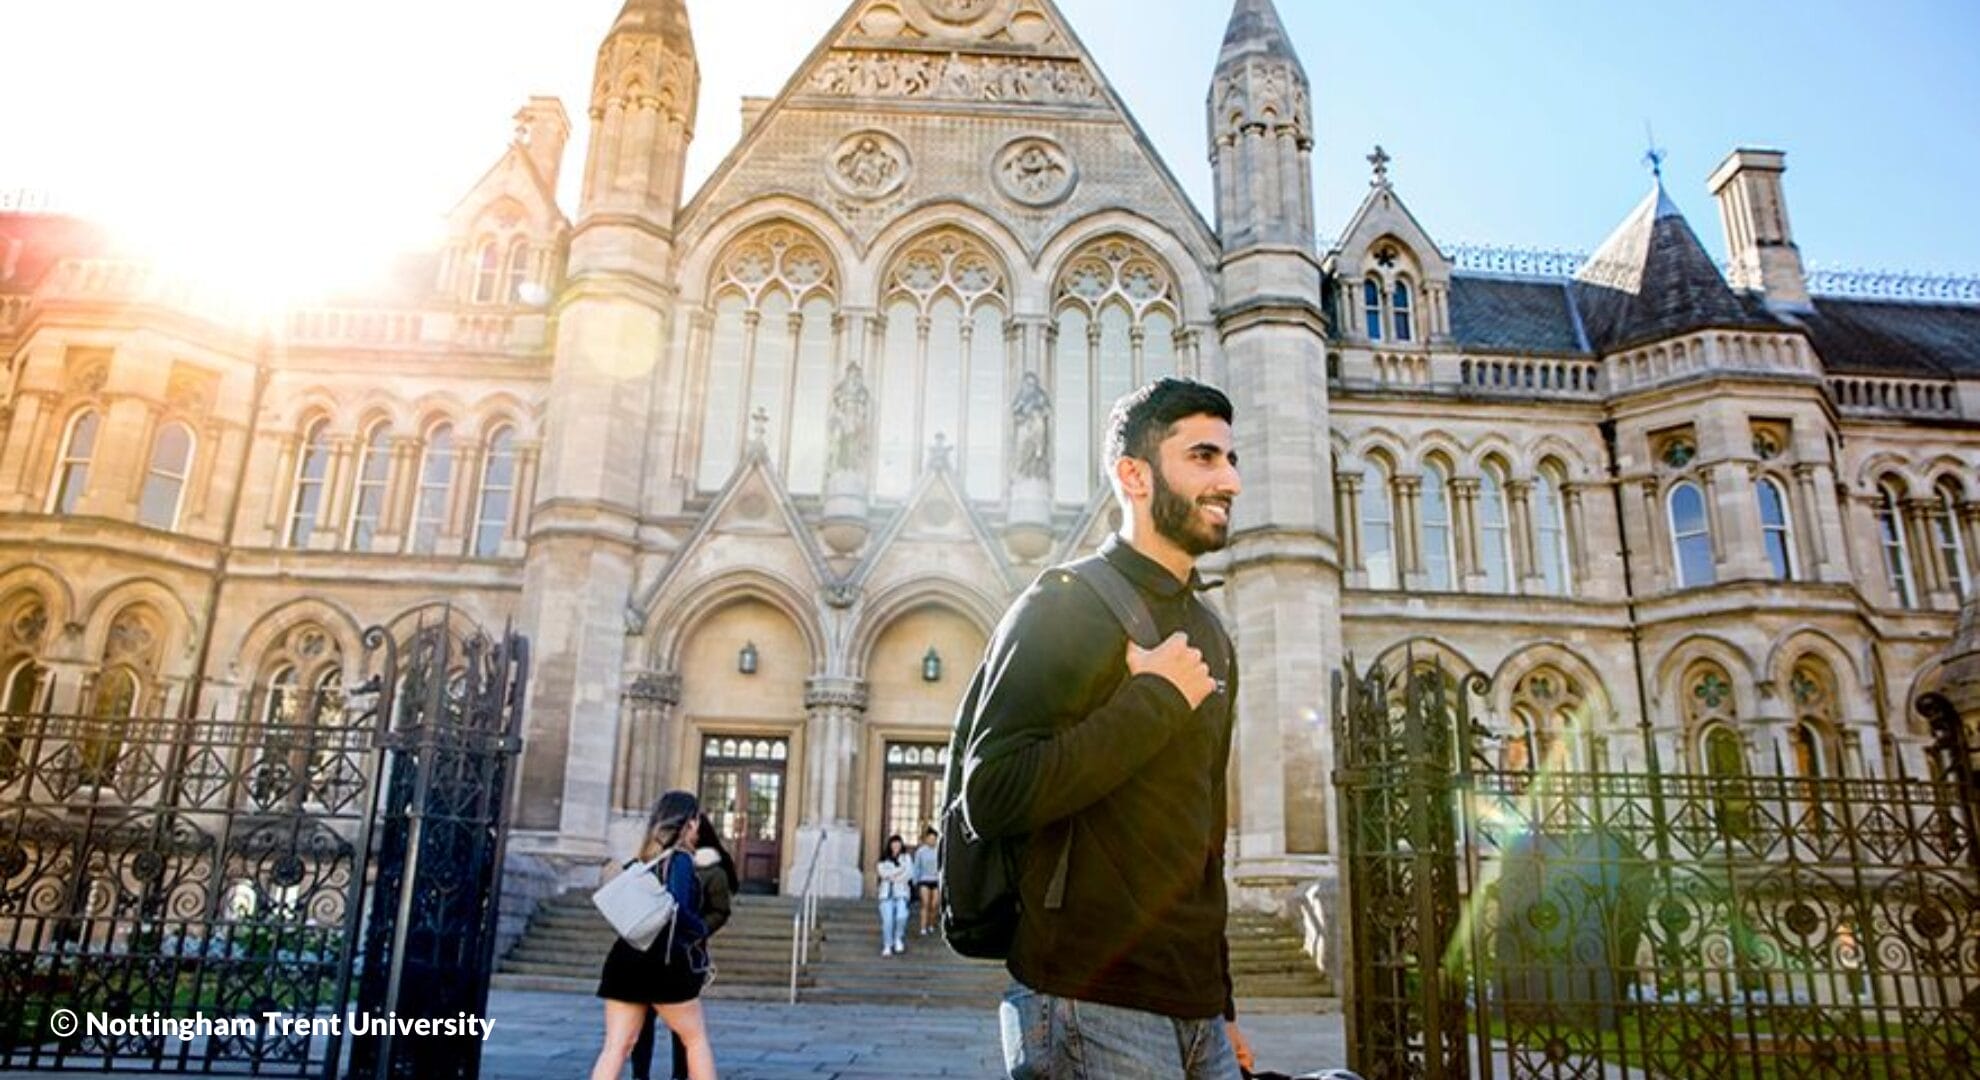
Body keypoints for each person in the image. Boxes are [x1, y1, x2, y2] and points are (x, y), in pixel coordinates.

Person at [964, 377, 1255, 1078]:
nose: (1232, 481)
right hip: (1086, 1002)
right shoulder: (1064, 606)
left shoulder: (1211, 631)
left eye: (1231, 460)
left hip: (1195, 1010)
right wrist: (1152, 699)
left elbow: (1202, 834)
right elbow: (991, 793)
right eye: (1205, 458)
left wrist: (1222, 1001)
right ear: (1135, 474)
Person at [593, 791, 718, 1080]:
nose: (699, 827)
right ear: (687, 823)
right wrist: (700, 928)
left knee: (615, 1047)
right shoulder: (681, 860)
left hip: (625, 960)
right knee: (695, 1040)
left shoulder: (641, 860)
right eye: (697, 820)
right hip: (663, 963)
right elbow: (677, 909)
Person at [631, 812, 737, 1080]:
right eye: (690, 826)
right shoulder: (659, 862)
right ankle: (640, 1074)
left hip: (684, 954)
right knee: (642, 1026)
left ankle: (679, 1074)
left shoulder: (711, 871)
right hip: (650, 951)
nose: (694, 832)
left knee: (685, 1030)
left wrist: (697, 931)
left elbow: (718, 911)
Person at [875, 834, 912, 956]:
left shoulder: (906, 858)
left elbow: (908, 874)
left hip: (901, 893)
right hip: (886, 894)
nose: (896, 846)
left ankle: (898, 938)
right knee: (888, 921)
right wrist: (899, 870)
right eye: (893, 843)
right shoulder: (883, 860)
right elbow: (882, 873)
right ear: (890, 845)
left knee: (902, 916)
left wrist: (892, 875)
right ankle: (887, 944)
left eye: (898, 843)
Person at [912, 826, 941, 937]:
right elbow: (916, 867)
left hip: (936, 880)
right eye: (930, 838)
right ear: (926, 839)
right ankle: (923, 927)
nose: (932, 841)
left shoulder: (940, 850)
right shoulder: (921, 851)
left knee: (935, 904)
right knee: (925, 903)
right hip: (924, 880)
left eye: (934, 839)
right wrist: (915, 880)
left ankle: (931, 924)